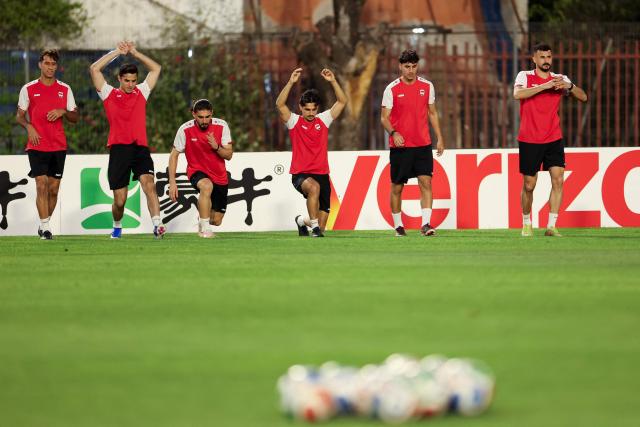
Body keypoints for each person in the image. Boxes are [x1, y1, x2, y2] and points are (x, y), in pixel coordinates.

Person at [89, 41, 166, 239]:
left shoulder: (142, 92)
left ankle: (157, 225)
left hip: (140, 148)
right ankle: (117, 225)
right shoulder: (109, 94)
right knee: (120, 201)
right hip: (119, 149)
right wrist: (117, 52)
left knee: (149, 184)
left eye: (134, 80)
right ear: (119, 79)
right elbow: (94, 69)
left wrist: (135, 53)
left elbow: (156, 68)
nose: (131, 84)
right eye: (127, 81)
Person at [514, 43, 588, 237]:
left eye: (549, 57)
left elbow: (583, 97)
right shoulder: (525, 76)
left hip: (553, 137)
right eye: (542, 57)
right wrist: (544, 86)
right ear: (534, 59)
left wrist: (569, 87)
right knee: (529, 185)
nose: (546, 61)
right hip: (529, 138)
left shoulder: (560, 79)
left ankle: (551, 226)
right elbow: (517, 94)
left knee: (558, 180)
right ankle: (526, 223)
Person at [275, 67, 347, 237]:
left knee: (322, 226)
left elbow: (342, 102)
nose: (310, 113)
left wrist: (333, 81)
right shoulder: (293, 121)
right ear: (301, 107)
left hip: (322, 173)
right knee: (313, 188)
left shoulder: (323, 120)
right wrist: (291, 82)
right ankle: (314, 228)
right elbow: (279, 104)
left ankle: (302, 221)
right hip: (300, 173)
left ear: (317, 108)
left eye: (313, 109)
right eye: (307, 109)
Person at [380, 49, 445, 237]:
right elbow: (384, 118)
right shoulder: (391, 89)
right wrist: (393, 133)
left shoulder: (427, 86)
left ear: (418, 66)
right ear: (400, 66)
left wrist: (440, 137)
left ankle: (426, 224)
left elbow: (432, 113)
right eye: (407, 66)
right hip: (401, 147)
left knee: (426, 182)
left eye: (414, 66)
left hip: (423, 144)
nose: (410, 70)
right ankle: (398, 226)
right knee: (397, 187)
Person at [16, 49, 79, 240]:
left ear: (56, 66)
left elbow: (75, 117)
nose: (50, 67)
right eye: (47, 63)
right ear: (40, 64)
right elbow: (19, 116)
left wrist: (63, 111)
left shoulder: (65, 89)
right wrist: (29, 127)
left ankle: (44, 224)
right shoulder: (28, 88)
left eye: (53, 64)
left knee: (53, 189)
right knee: (41, 185)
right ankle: (46, 228)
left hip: (58, 145)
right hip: (36, 145)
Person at [168, 99, 233, 238]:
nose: (204, 121)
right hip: (196, 171)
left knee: (216, 220)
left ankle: (203, 221)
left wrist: (216, 147)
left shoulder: (222, 126)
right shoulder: (184, 129)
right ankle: (205, 229)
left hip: (219, 175)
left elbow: (228, 155)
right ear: (193, 114)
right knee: (206, 186)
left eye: (207, 117)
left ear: (212, 114)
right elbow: (174, 156)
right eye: (201, 117)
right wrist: (172, 182)